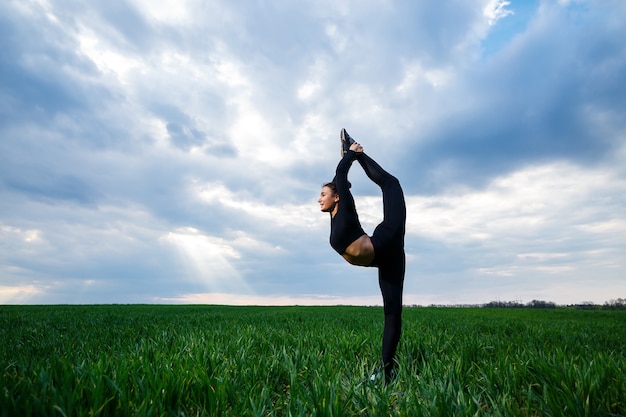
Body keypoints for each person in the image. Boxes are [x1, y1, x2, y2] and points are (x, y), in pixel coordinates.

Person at [318, 128, 406, 384]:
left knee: (391, 184)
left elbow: (339, 175)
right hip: (386, 257)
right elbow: (339, 179)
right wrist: (347, 155)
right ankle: (387, 372)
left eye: (323, 194)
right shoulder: (335, 218)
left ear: (336, 197)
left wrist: (350, 154)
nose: (318, 199)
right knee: (392, 312)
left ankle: (357, 149)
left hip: (386, 239)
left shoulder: (343, 206)